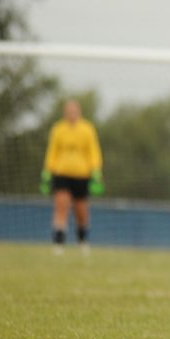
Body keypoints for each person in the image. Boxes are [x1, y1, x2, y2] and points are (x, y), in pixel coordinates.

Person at [41, 99, 103, 255]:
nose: (72, 114)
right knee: (61, 206)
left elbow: (93, 152)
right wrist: (47, 172)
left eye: (74, 111)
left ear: (79, 112)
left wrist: (96, 171)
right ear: (65, 113)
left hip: (82, 174)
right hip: (61, 173)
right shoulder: (58, 129)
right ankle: (58, 243)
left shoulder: (87, 129)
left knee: (81, 210)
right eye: (69, 111)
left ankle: (82, 241)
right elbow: (52, 152)